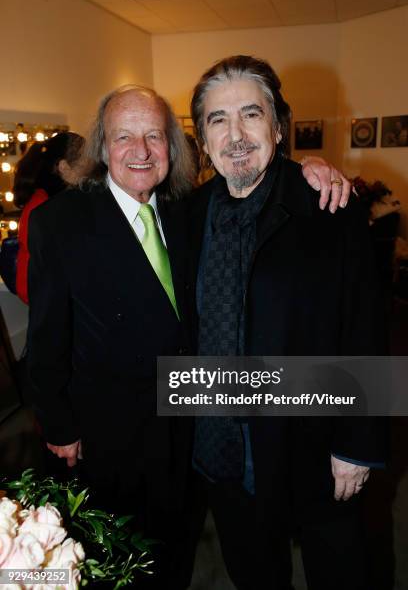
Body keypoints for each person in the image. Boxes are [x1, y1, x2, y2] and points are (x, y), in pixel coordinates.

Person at [27, 83, 351, 588]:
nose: (141, 151)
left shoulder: (187, 210)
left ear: (175, 147)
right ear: (102, 145)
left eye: (155, 136)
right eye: (124, 137)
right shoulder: (61, 223)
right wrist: (58, 424)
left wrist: (309, 167)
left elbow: (257, 181)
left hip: (191, 433)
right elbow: (46, 340)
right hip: (113, 438)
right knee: (121, 564)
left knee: (177, 554)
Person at [185, 55, 387, 590]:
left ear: (278, 126)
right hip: (219, 446)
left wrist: (356, 444)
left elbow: (364, 328)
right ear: (203, 140)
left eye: (251, 114)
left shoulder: (328, 205)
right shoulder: (186, 214)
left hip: (311, 443)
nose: (236, 135)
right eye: (217, 119)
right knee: (255, 575)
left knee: (342, 572)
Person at [13, 132, 85, 304]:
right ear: (64, 168)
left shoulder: (54, 201)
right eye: (86, 160)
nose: (94, 166)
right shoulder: (44, 208)